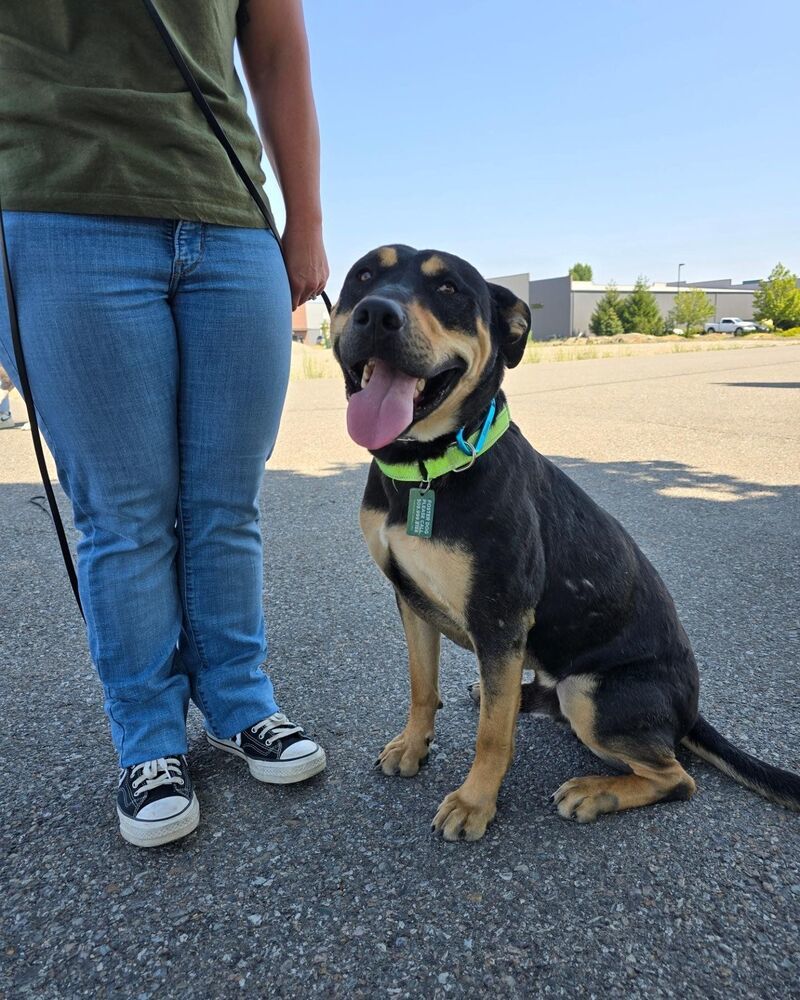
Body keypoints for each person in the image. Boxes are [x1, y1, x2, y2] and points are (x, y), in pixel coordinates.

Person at [0, 0, 329, 847]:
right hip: (56, 206)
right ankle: (147, 738)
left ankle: (239, 700)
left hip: (229, 214)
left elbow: (277, 39)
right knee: (126, 508)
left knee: (227, 500)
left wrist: (307, 222)